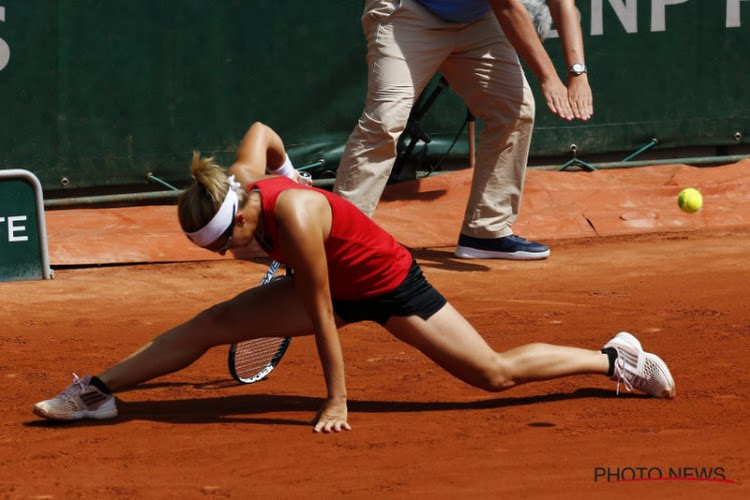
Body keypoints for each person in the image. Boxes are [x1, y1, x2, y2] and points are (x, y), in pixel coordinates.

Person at [33, 123, 673, 433]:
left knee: (491, 374)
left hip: (386, 285)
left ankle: (614, 358)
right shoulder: (242, 175)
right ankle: (97, 391)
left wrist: (336, 399)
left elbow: (320, 310)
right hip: (336, 282)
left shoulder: (299, 220)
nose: (232, 253)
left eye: (231, 241)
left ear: (241, 214)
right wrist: (291, 166)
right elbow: (262, 130)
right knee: (212, 324)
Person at [333, 0, 593, 261]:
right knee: (385, 120)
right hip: (407, 12)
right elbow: (508, 7)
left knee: (514, 110)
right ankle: (335, 242)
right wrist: (548, 78)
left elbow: (563, 3)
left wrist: (577, 74)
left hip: (477, 21)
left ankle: (486, 231)